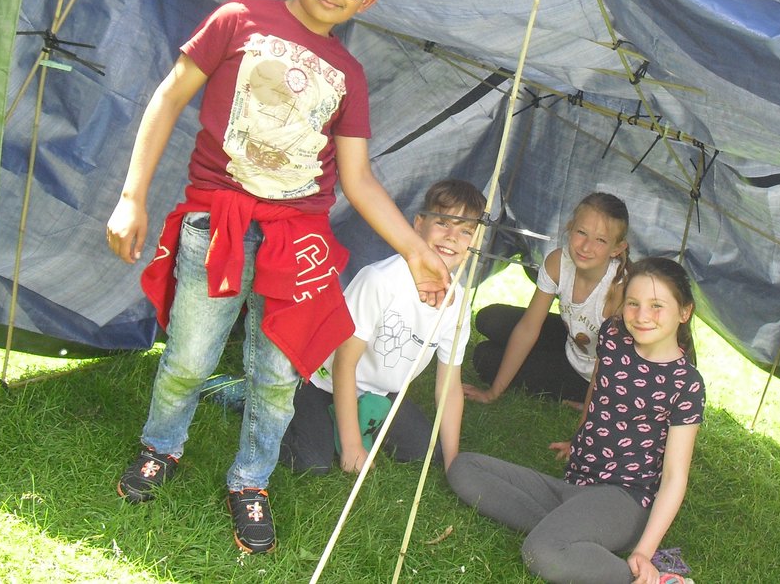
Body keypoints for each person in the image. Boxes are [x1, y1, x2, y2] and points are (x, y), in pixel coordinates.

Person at [104, 0, 451, 555]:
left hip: (298, 243)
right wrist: (132, 197)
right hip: (219, 225)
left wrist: (414, 248)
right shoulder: (238, 20)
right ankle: (161, 447)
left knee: (276, 376)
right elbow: (167, 98)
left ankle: (251, 480)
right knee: (188, 358)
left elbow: (359, 177)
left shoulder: (347, 74)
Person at [448, 257, 704, 584]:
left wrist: (643, 549)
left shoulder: (686, 383)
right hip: (575, 482)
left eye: (657, 306)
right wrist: (579, 438)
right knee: (464, 468)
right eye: (633, 303)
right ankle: (569, 530)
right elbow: (599, 393)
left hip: (625, 498)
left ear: (685, 312)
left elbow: (674, 478)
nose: (641, 316)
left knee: (541, 552)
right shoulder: (614, 334)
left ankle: (647, 579)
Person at [281, 178, 486, 475]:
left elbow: (449, 386)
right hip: (324, 382)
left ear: (475, 244)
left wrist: (453, 460)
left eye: (466, 231)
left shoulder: (459, 303)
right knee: (312, 464)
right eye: (443, 223)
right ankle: (269, 401)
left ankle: (364, 419)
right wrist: (352, 446)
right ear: (418, 224)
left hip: (381, 395)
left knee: (426, 451)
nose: (452, 237)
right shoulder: (380, 280)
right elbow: (344, 363)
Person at [465, 192, 629, 409]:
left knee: (484, 357)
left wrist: (593, 409)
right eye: (581, 232)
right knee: (488, 318)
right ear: (570, 228)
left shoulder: (619, 290)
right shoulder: (558, 262)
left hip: (594, 374)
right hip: (572, 340)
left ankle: (582, 397)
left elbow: (613, 364)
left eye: (600, 240)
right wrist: (494, 392)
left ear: (617, 249)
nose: (586, 247)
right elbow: (529, 327)